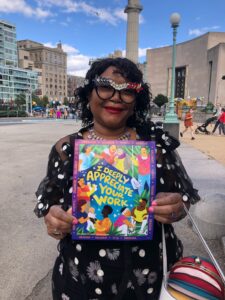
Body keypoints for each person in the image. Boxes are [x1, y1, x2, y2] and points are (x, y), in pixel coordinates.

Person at [34, 57, 200, 300]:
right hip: (82, 278)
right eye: (105, 87)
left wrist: (176, 207)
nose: (115, 97)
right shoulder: (65, 149)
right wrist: (53, 219)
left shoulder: (156, 146)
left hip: (150, 278)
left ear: (136, 101)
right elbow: (48, 204)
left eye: (127, 91)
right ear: (88, 94)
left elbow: (184, 198)